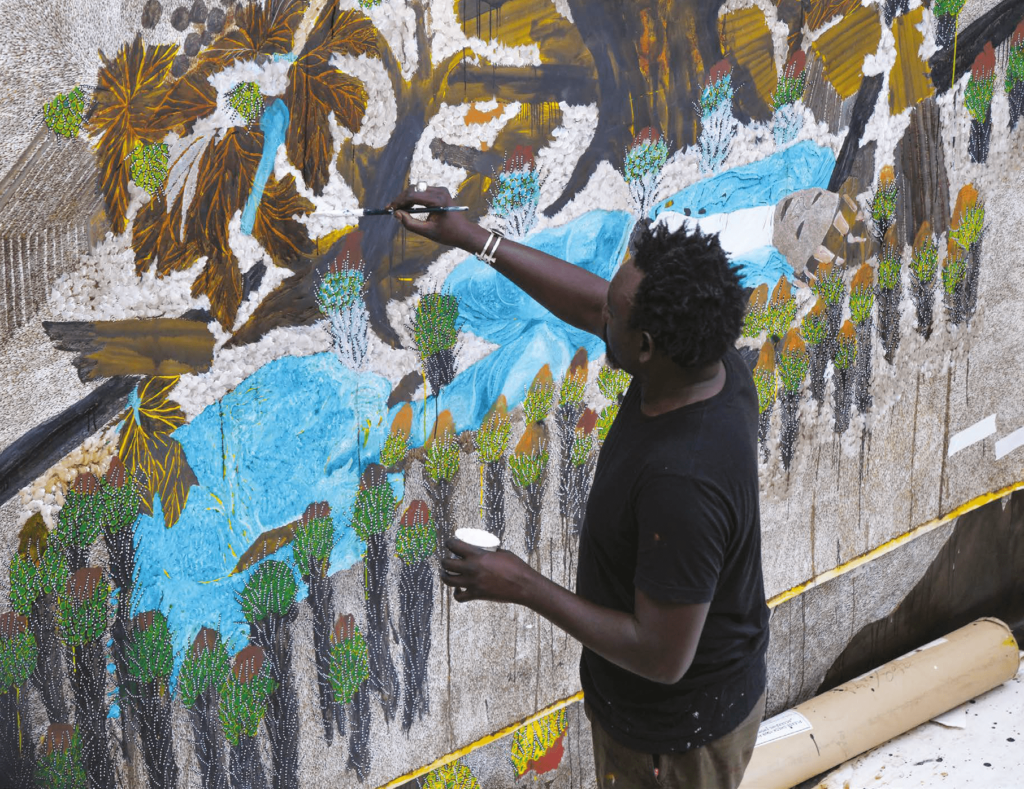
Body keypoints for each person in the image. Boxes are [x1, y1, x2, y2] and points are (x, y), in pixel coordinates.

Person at [389, 185, 770, 788]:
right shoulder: (705, 362)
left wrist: (520, 584)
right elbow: (597, 304)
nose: (600, 317)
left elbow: (662, 657)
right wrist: (471, 238)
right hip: (674, 715)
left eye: (613, 318)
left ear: (645, 347)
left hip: (674, 742)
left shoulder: (684, 479)